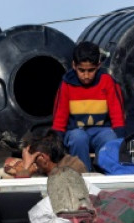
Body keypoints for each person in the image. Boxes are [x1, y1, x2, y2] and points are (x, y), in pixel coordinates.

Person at [52, 41, 126, 172]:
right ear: (74, 65)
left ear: (98, 65)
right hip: (76, 132)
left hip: (101, 131)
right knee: (78, 137)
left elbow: (117, 115)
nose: (86, 75)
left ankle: (107, 173)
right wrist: (57, 146)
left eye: (91, 70)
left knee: (110, 137)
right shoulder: (66, 84)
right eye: (82, 70)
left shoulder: (107, 81)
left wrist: (121, 142)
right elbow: (60, 118)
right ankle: (83, 174)